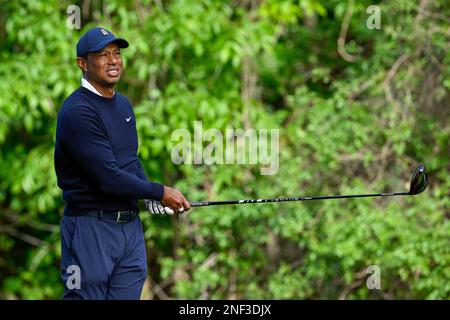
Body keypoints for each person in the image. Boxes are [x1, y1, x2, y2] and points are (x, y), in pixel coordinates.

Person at [54, 27, 190, 300]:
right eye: (103, 55)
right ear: (83, 63)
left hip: (129, 230)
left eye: (116, 53)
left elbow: (129, 162)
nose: (113, 60)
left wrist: (148, 199)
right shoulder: (78, 111)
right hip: (90, 228)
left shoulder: (124, 105)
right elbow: (107, 177)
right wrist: (159, 192)